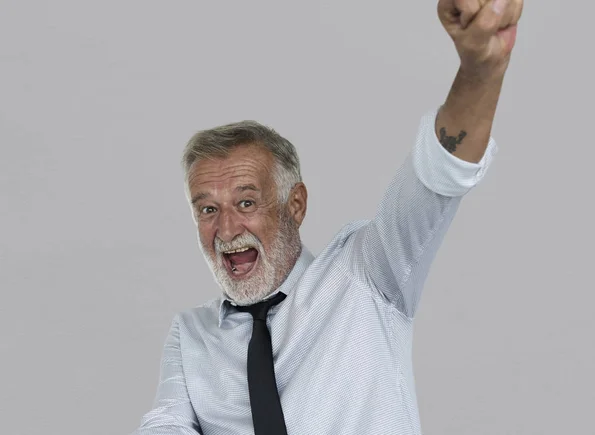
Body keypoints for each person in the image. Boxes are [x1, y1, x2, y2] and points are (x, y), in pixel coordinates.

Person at [132, 0, 523, 433]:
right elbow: (165, 424)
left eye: (246, 203)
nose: (226, 229)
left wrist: (480, 70)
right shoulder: (192, 334)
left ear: (294, 205)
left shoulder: (367, 277)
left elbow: (433, 178)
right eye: (208, 209)